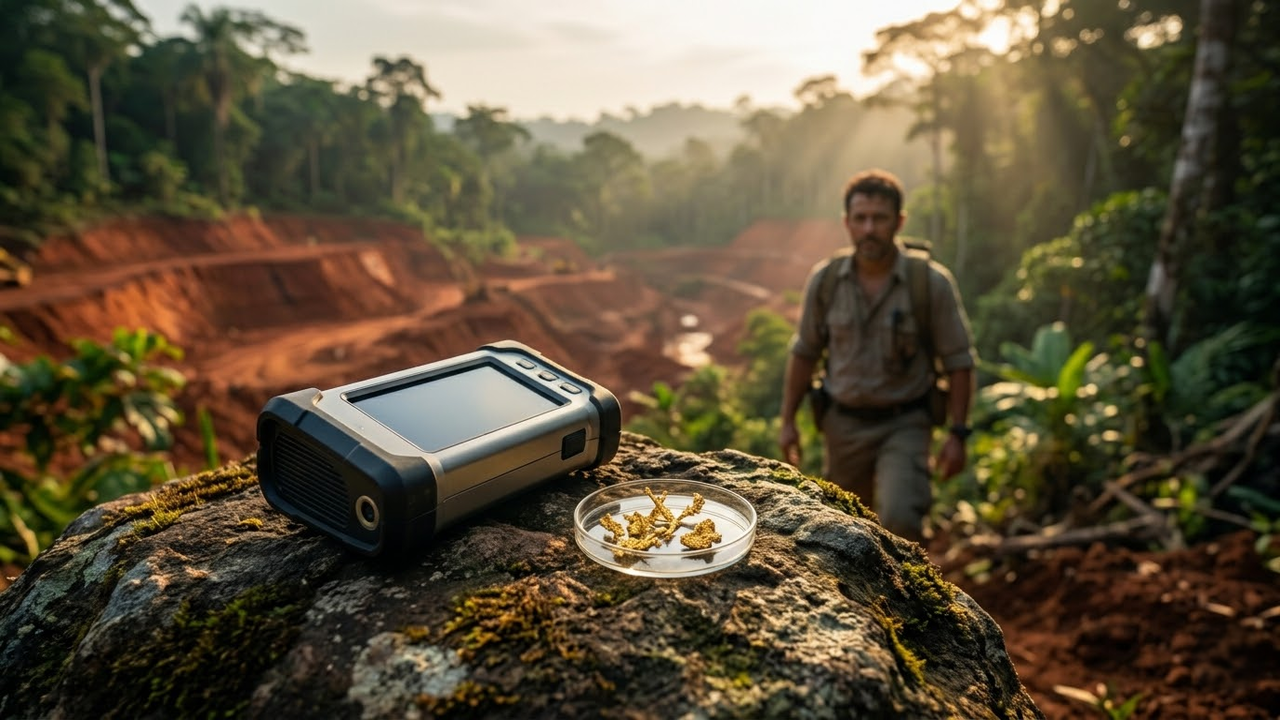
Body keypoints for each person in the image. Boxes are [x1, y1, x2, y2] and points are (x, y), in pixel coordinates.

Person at [778, 169, 976, 543]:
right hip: (843, 425)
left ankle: (906, 599)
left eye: (880, 219)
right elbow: (804, 353)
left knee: (902, 520)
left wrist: (958, 434)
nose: (869, 228)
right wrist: (788, 421)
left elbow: (959, 361)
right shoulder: (827, 281)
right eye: (860, 219)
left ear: (899, 222)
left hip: (905, 422)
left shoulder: (929, 283)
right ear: (846, 223)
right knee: (843, 530)